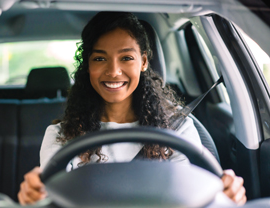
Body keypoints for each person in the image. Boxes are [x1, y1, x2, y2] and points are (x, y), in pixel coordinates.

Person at [18, 11, 246, 205]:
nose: (114, 71)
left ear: (144, 62)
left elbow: (193, 197)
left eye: (126, 57)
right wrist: (36, 196)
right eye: (100, 59)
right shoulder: (60, 136)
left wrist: (224, 194)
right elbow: (51, 199)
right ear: (88, 65)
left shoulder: (178, 129)